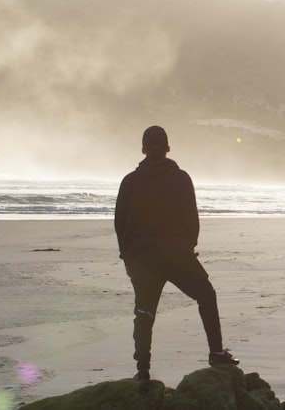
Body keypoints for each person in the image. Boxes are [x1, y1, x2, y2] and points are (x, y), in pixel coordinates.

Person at [114, 125, 239, 381]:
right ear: (168, 147)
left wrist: (127, 257)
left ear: (143, 149)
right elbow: (192, 219)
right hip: (177, 254)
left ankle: (143, 370)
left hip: (143, 257)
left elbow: (120, 223)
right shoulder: (181, 178)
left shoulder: (130, 181)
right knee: (206, 295)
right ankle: (216, 352)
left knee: (144, 312)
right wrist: (187, 247)